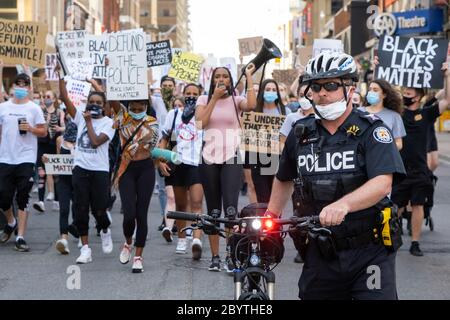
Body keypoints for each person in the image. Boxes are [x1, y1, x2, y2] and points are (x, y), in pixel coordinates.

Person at [267, 52, 405, 299]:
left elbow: (383, 182)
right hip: (320, 250)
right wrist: (270, 217)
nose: (322, 93)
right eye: (316, 86)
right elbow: (283, 177)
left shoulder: (371, 130)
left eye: (331, 85)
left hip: (369, 251)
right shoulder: (299, 134)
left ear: (350, 88)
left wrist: (344, 205)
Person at [195, 64, 256, 272]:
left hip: (231, 157)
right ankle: (214, 257)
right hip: (209, 158)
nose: (221, 79)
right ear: (212, 80)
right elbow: (200, 123)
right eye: (217, 76)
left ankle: (230, 255)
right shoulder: (203, 100)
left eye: (225, 76)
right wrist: (213, 98)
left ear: (231, 80)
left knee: (230, 210)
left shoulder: (236, 100)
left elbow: (252, 104)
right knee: (213, 210)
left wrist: (248, 77)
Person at [58, 66, 116, 264]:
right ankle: (85, 249)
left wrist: (89, 122)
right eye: (91, 102)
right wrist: (60, 76)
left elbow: (95, 141)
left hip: (99, 171)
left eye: (98, 102)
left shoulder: (109, 123)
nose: (94, 105)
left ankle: (105, 229)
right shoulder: (79, 117)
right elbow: (64, 97)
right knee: (80, 209)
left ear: (104, 105)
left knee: (99, 209)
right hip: (81, 169)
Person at [391, 64, 450, 257]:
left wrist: (447, 75)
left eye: (408, 92)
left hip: (419, 170)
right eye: (404, 92)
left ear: (417, 96)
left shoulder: (426, 114)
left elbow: (447, 99)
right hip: (399, 170)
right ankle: (390, 238)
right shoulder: (396, 114)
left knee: (418, 205)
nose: (405, 95)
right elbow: (381, 95)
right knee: (395, 207)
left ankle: (415, 243)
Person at [0, 73, 47, 252]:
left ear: (28, 87)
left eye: (24, 84)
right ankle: (11, 222)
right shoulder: (3, 107)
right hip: (5, 158)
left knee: (23, 196)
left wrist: (31, 128)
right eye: (17, 84)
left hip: (26, 158)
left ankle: (20, 236)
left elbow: (43, 132)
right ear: (12, 87)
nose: (20, 87)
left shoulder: (33, 108)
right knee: (3, 196)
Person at [110, 98, 158, 273]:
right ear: (128, 107)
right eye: (133, 108)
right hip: (126, 169)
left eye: (140, 108)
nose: (137, 110)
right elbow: (114, 99)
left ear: (146, 107)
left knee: (141, 213)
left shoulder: (152, 123)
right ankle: (128, 242)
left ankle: (138, 256)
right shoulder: (123, 118)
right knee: (129, 213)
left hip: (146, 169)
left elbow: (152, 146)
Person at [157, 84, 205, 259]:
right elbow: (164, 138)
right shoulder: (174, 114)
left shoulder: (202, 115)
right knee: (181, 205)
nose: (191, 96)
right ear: (183, 95)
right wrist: (160, 159)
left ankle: (197, 239)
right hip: (177, 164)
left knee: (197, 203)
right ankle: (182, 239)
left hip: (197, 164)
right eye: (188, 93)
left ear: (200, 96)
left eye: (195, 94)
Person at [279, 75, 315, 264]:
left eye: (307, 94)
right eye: (301, 94)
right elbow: (283, 142)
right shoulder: (292, 118)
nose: (304, 97)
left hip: (317, 174)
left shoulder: (320, 118)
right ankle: (302, 247)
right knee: (298, 215)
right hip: (298, 175)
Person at [250, 79, 289, 204]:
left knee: (276, 198)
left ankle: (277, 223)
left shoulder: (285, 112)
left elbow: (288, 137)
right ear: (262, 92)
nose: (271, 92)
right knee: (263, 198)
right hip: (257, 159)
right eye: (268, 90)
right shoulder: (253, 112)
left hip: (278, 159)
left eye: (273, 90)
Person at [33, 90, 65, 213]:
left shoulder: (59, 112)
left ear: (54, 99)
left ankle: (57, 200)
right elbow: (36, 126)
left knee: (55, 173)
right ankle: (41, 201)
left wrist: (59, 128)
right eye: (44, 96)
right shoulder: (39, 112)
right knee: (42, 173)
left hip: (54, 145)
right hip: (42, 144)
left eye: (48, 96)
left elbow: (64, 126)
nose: (46, 98)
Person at [358, 79, 405, 150]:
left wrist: (382, 146)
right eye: (370, 89)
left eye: (375, 90)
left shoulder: (394, 116)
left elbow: (399, 144)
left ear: (384, 95)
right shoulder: (358, 112)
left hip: (383, 158)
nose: (371, 92)